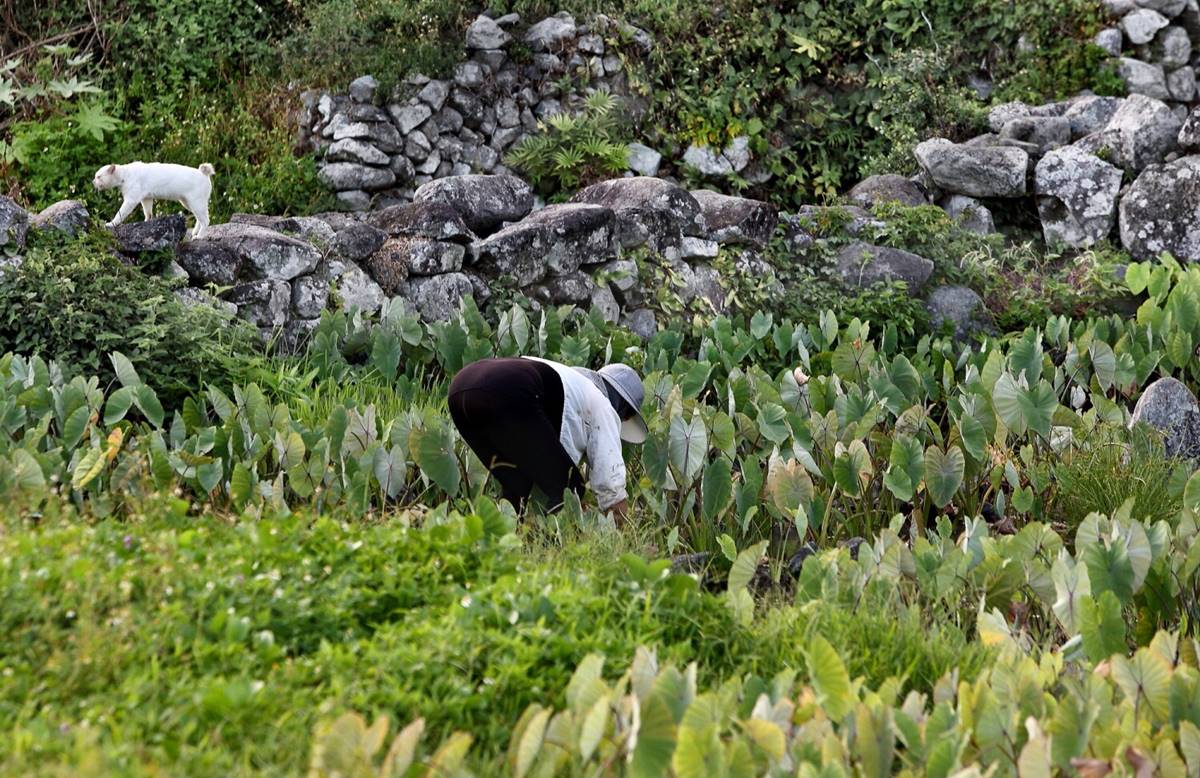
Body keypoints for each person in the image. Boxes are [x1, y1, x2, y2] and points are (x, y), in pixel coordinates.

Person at [447, 356, 647, 518]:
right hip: (507, 392)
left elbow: (545, 455)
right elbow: (611, 487)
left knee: (518, 489)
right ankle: (562, 550)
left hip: (460, 390)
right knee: (570, 489)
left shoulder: (570, 385)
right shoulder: (603, 405)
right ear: (626, 413)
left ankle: (510, 550)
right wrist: (625, 536)